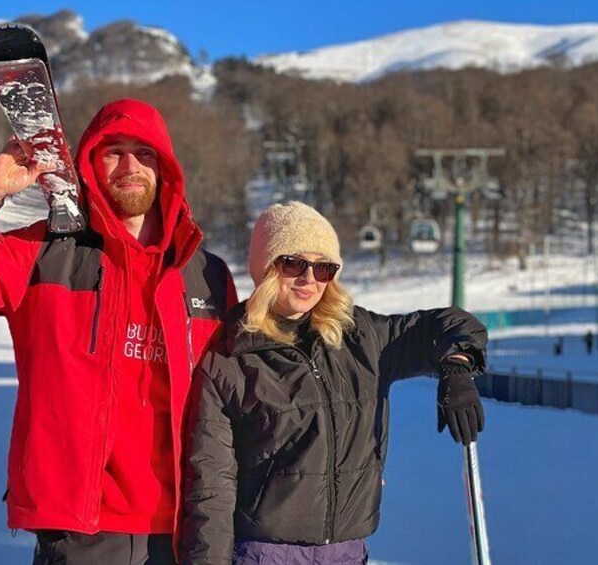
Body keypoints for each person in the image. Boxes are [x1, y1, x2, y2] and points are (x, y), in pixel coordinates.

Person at [0, 99, 237, 564]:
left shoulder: (207, 275)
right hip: (81, 531)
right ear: (90, 165)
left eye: (145, 153)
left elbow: (232, 400)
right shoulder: (45, 253)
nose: (130, 166)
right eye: (114, 152)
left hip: (185, 531)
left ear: (166, 169)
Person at [180, 202, 487, 565]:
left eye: (323, 268)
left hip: (347, 552)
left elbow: (450, 324)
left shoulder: (361, 338)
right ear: (266, 268)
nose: (309, 278)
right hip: (266, 555)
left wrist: (456, 366)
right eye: (293, 263)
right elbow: (211, 489)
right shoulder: (231, 359)